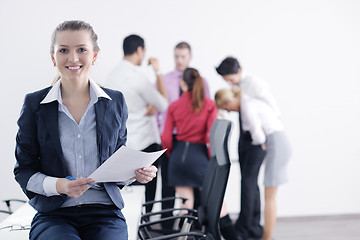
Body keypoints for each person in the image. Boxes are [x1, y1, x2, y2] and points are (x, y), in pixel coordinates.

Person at [14, 20, 157, 240]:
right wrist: (60, 185)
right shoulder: (35, 104)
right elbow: (23, 170)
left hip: (104, 213)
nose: (73, 58)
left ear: (94, 55)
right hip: (54, 214)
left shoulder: (115, 101)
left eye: (81, 49)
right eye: (63, 50)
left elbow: (116, 163)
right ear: (53, 57)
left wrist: (136, 173)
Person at [215, 57, 281, 240]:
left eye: (230, 79)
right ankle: (250, 224)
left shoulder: (255, 85)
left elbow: (272, 110)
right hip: (245, 136)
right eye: (225, 80)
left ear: (239, 70)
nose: (229, 83)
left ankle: (247, 228)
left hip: (257, 137)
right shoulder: (237, 89)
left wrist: (262, 137)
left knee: (248, 182)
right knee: (248, 182)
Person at [104, 34, 168, 213]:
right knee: (148, 191)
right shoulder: (138, 77)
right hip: (146, 142)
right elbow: (163, 103)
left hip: (124, 143)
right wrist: (157, 71)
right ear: (140, 50)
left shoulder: (111, 77)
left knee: (129, 193)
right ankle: (145, 226)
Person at [157, 42, 211, 227]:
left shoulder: (202, 82)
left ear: (190, 57)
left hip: (189, 144)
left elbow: (206, 109)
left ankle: (192, 228)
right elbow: (159, 110)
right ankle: (168, 227)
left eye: (183, 56)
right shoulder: (164, 79)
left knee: (191, 193)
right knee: (168, 186)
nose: (179, 60)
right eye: (176, 56)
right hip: (172, 139)